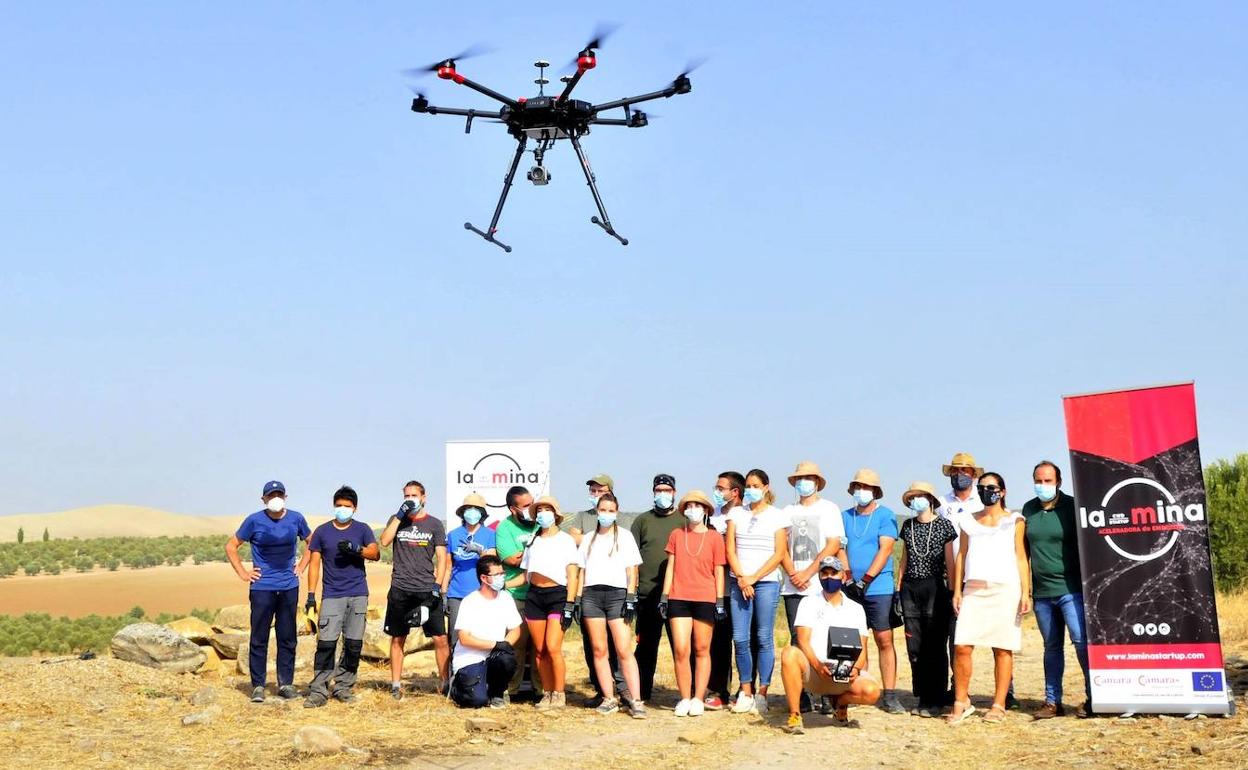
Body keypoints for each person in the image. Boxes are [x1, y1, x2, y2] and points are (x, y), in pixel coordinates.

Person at [948, 472, 1030, 725]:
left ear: (1002, 492)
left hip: (1005, 589)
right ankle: (961, 701)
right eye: (982, 487)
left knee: (1002, 648)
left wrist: (1026, 592)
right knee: (962, 645)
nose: (987, 492)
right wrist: (957, 590)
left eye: (992, 488)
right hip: (973, 589)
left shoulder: (1015, 520)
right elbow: (962, 554)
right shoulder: (968, 520)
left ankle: (999, 704)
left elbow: (1021, 556)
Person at [225, 480, 311, 703]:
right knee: (259, 637)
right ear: (263, 499)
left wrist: (302, 566)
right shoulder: (254, 520)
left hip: (289, 586)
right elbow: (231, 546)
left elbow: (312, 543)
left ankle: (286, 684)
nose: (275, 499)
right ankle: (258, 686)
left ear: (285, 497)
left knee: (287, 637)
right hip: (262, 588)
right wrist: (243, 573)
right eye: (271, 495)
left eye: (279, 494)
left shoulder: (296, 518)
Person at [779, 556, 882, 734]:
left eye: (834, 573)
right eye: (824, 573)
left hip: (845, 673)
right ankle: (795, 715)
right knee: (789, 653)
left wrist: (855, 669)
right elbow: (803, 640)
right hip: (815, 671)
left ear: (843, 576)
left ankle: (840, 703)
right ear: (819, 576)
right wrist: (818, 666)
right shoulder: (808, 603)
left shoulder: (856, 608)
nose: (829, 577)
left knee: (872, 692)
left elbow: (863, 648)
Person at [1023, 460, 1090, 719]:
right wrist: (1026, 589)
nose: (1042, 485)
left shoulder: (1073, 507)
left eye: (1047, 481)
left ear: (1058, 482)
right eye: (1038, 481)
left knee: (1081, 643)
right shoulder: (1028, 509)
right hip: (1042, 593)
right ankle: (1052, 702)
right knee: (1051, 647)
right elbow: (1023, 552)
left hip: (1071, 590)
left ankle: (1094, 697)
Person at [780, 460, 847, 714]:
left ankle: (829, 691)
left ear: (817, 482)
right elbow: (781, 546)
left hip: (822, 583)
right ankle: (803, 694)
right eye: (799, 479)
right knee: (798, 638)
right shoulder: (787, 511)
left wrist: (809, 572)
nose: (803, 483)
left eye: (807, 478)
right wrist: (793, 573)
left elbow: (833, 544)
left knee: (827, 637)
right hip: (793, 586)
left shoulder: (829, 509)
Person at [303, 485, 379, 708]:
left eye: (347, 506)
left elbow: (375, 553)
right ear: (333, 505)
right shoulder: (322, 532)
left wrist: (357, 549)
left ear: (355, 508)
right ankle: (319, 690)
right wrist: (310, 595)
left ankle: (344, 686)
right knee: (326, 643)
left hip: (358, 594)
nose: (342, 509)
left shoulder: (362, 529)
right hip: (332, 595)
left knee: (353, 644)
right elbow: (314, 565)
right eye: (339, 505)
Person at [562, 473, 630, 707]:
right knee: (594, 645)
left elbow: (622, 547)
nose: (596, 494)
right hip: (590, 590)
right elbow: (573, 538)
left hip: (616, 591)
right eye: (593, 490)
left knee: (618, 644)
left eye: (600, 490)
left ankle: (623, 687)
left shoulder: (622, 520)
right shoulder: (582, 516)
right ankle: (602, 690)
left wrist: (587, 539)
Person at [576, 493, 646, 717]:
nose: (606, 514)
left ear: (616, 512)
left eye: (611, 510)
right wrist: (577, 599)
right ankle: (608, 697)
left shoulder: (624, 536)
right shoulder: (588, 538)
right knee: (599, 650)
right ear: (597, 511)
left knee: (624, 649)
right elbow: (581, 570)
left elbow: (632, 569)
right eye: (603, 510)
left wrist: (631, 597)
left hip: (617, 595)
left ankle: (636, 700)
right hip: (591, 595)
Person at [725, 469, 788, 715]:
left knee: (763, 637)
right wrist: (742, 577)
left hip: (766, 582)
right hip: (739, 582)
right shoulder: (736, 514)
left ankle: (763, 692)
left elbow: (779, 553)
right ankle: (746, 690)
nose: (751, 490)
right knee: (740, 638)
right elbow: (730, 549)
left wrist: (754, 577)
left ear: (765, 487)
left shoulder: (777, 516)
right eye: (748, 486)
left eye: (755, 486)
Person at [841, 468, 904, 714]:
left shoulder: (885, 515)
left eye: (866, 487)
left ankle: (890, 694)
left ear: (875, 491)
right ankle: (856, 688)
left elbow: (885, 549)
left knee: (883, 638)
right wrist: (848, 577)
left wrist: (866, 579)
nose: (861, 491)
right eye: (858, 487)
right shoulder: (845, 516)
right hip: (850, 586)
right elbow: (840, 548)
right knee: (853, 639)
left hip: (878, 587)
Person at [380, 480, 450, 700]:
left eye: (414, 495)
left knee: (440, 638)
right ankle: (396, 685)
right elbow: (384, 541)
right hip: (400, 588)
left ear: (423, 497)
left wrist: (438, 586)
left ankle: (445, 683)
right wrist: (400, 515)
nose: (410, 499)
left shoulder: (434, 524)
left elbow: (442, 558)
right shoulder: (397, 519)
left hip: (426, 589)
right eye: (406, 496)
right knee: (398, 638)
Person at [660, 490, 727, 717]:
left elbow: (719, 570)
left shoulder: (714, 537)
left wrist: (719, 600)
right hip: (679, 596)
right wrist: (664, 596)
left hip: (705, 597)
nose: (693, 509)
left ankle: (698, 697)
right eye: (689, 506)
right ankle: (684, 697)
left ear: (706, 510)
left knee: (702, 648)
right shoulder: (677, 534)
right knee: (681, 649)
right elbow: (671, 566)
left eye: (698, 506)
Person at [897, 481, 958, 717]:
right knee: (915, 645)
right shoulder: (908, 525)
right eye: (912, 497)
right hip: (910, 588)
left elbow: (950, 562)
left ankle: (937, 697)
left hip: (935, 588)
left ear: (930, 499)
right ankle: (922, 695)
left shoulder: (943, 525)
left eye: (920, 496)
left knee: (935, 644)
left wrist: (952, 591)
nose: (916, 501)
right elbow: (904, 559)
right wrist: (898, 588)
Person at [517, 495, 580, 710]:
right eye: (539, 510)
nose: (543, 514)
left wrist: (570, 603)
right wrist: (501, 584)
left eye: (547, 509)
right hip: (535, 596)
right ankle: (547, 692)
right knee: (540, 649)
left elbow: (572, 575)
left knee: (553, 647)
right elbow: (525, 575)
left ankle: (559, 693)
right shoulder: (533, 541)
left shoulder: (565, 540)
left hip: (558, 596)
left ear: (556, 514)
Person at [631, 473, 687, 702]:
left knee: (682, 647)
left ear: (674, 493)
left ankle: (688, 693)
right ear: (653, 493)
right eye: (659, 491)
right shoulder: (642, 521)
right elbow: (632, 558)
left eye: (667, 490)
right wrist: (633, 590)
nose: (663, 494)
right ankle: (641, 693)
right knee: (646, 647)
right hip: (647, 594)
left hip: (679, 595)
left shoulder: (684, 521)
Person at [936, 452, 986, 706]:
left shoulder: (983, 499)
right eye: (956, 470)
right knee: (954, 635)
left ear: (974, 474)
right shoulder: (941, 503)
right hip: (951, 577)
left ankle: (1007, 690)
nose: (960, 475)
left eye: (965, 470)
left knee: (993, 633)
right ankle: (957, 687)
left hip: (979, 574)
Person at [450, 555, 523, 709]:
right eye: (497, 575)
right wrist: (496, 644)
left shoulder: (506, 598)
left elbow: (515, 629)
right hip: (469, 659)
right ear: (484, 578)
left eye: (502, 573)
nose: (502, 578)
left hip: (493, 657)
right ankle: (457, 686)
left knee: (507, 660)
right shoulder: (470, 601)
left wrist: (505, 645)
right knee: (477, 701)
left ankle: (497, 693)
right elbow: (464, 639)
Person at [495, 485, 542, 701]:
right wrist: (537, 551)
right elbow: (511, 560)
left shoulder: (542, 523)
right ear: (513, 509)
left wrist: (526, 554)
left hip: (542, 593)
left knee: (540, 646)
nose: (531, 508)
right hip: (516, 594)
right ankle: (512, 691)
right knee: (518, 645)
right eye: (525, 506)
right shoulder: (505, 528)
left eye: (532, 503)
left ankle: (541, 691)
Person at [706, 470, 746, 710]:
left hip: (741, 587)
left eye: (721, 488)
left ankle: (746, 689)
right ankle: (719, 689)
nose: (717, 492)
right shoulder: (712, 517)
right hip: (716, 589)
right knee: (718, 642)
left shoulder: (746, 515)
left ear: (735, 492)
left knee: (743, 641)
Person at [446, 493, 497, 655]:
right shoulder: (453, 535)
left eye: (476, 509)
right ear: (462, 512)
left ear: (482, 513)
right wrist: (443, 592)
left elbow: (492, 562)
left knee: (482, 635)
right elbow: (448, 566)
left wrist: (479, 551)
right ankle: (455, 670)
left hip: (481, 594)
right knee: (456, 638)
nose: (472, 512)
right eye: (469, 508)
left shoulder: (490, 534)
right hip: (457, 594)